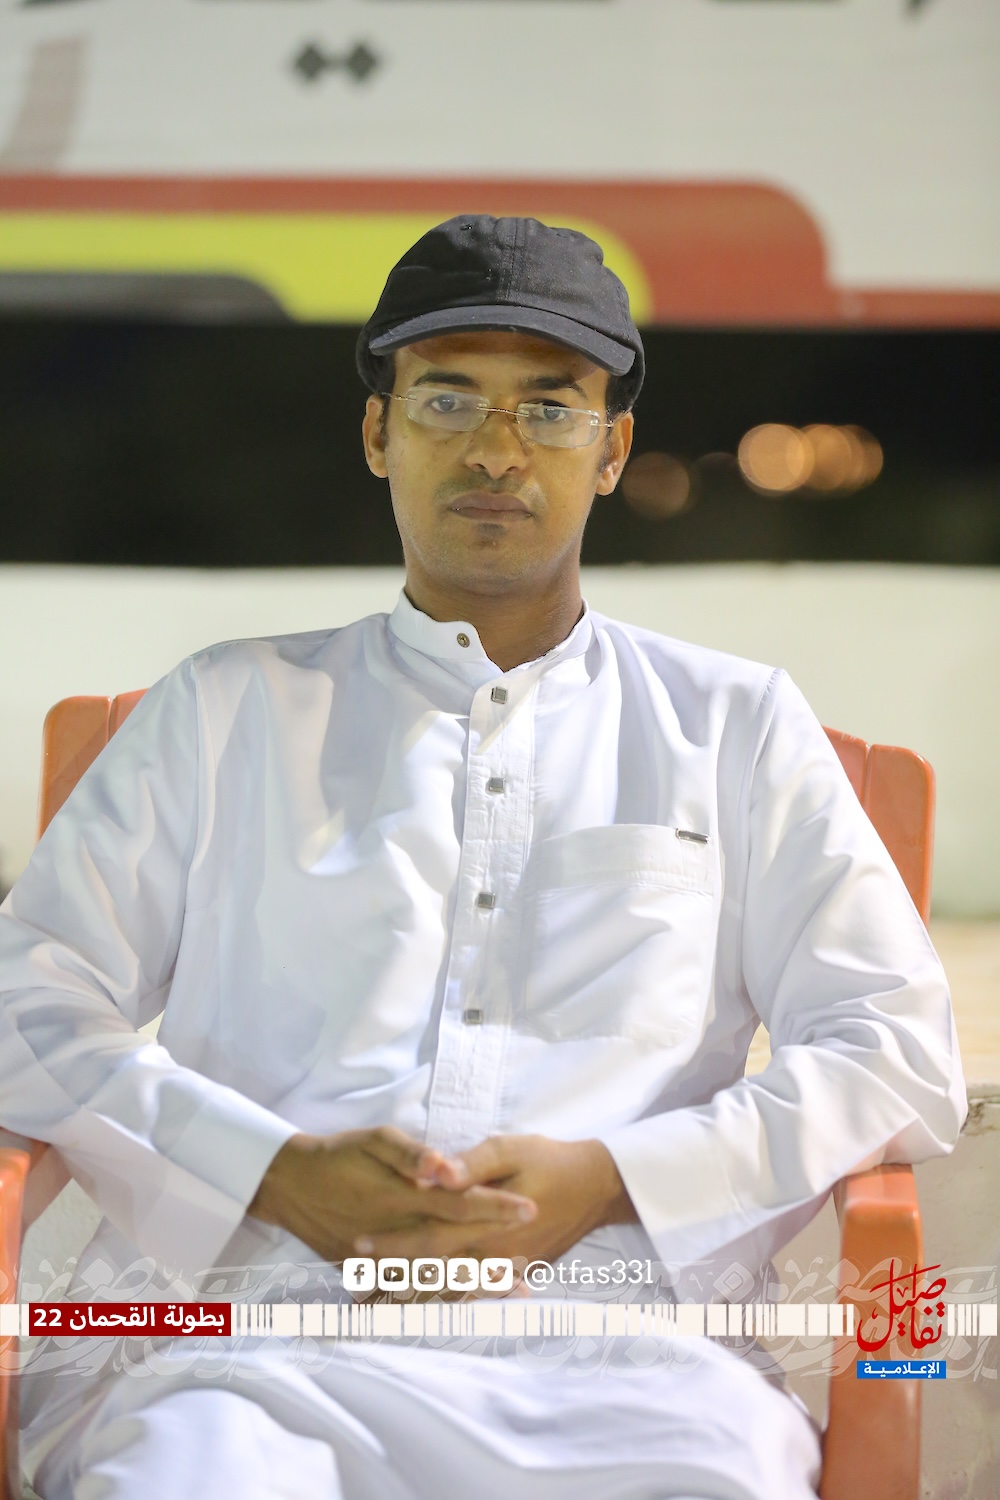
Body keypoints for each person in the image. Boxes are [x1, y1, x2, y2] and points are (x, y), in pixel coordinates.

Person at [0, 215, 965, 1500]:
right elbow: (27, 1000)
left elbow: (892, 1048)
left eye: (549, 408)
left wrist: (612, 1181)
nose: (495, 449)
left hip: (632, 1359)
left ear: (610, 450)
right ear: (378, 433)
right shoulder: (225, 713)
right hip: (251, 1348)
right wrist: (272, 1175)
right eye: (447, 399)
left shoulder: (731, 728)